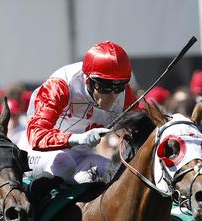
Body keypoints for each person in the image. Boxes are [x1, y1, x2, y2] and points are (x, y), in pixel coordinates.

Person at [25, 41, 137, 185]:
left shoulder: (126, 94)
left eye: (120, 86)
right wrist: (76, 139)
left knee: (122, 175)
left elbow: (145, 130)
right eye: (106, 87)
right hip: (41, 155)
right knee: (64, 164)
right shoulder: (60, 85)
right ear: (88, 81)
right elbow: (36, 135)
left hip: (84, 156)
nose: (114, 96)